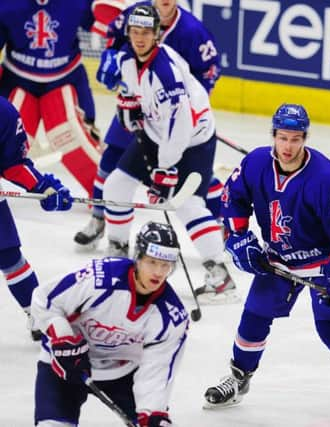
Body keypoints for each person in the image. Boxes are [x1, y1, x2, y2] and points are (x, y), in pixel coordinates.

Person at [203, 103, 330, 409]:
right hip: (281, 257)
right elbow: (232, 199)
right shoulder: (255, 164)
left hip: (326, 260)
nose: (288, 146)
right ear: (273, 136)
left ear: (305, 138)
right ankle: (239, 379)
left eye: (295, 139)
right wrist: (239, 238)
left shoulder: (326, 178)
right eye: (282, 138)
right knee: (254, 317)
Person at [76, 0, 234, 301]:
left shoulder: (165, 72)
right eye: (134, 31)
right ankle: (119, 253)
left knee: (186, 204)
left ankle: (220, 275)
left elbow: (181, 126)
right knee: (116, 185)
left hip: (192, 142)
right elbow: (133, 98)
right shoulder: (130, 60)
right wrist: (129, 109)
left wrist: (164, 170)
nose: (139, 37)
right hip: (157, 133)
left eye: (145, 32)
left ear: (157, 35)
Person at [30, 221, 188, 427]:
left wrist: (151, 412)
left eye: (165, 265)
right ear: (138, 258)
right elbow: (45, 299)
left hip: (122, 374)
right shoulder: (99, 278)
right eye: (152, 262)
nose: (158, 272)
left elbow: (157, 370)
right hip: (66, 365)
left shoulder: (172, 317)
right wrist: (62, 337)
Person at [0, 0, 103, 196]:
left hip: (64, 80)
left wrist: (109, 21)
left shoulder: (77, 3)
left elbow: (109, 18)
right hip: (17, 81)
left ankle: (103, 192)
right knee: (7, 143)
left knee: (69, 136)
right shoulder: (8, 4)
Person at [0, 96, 73, 340]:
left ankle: (36, 314)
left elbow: (13, 165)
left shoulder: (5, 113)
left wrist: (42, 187)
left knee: (8, 256)